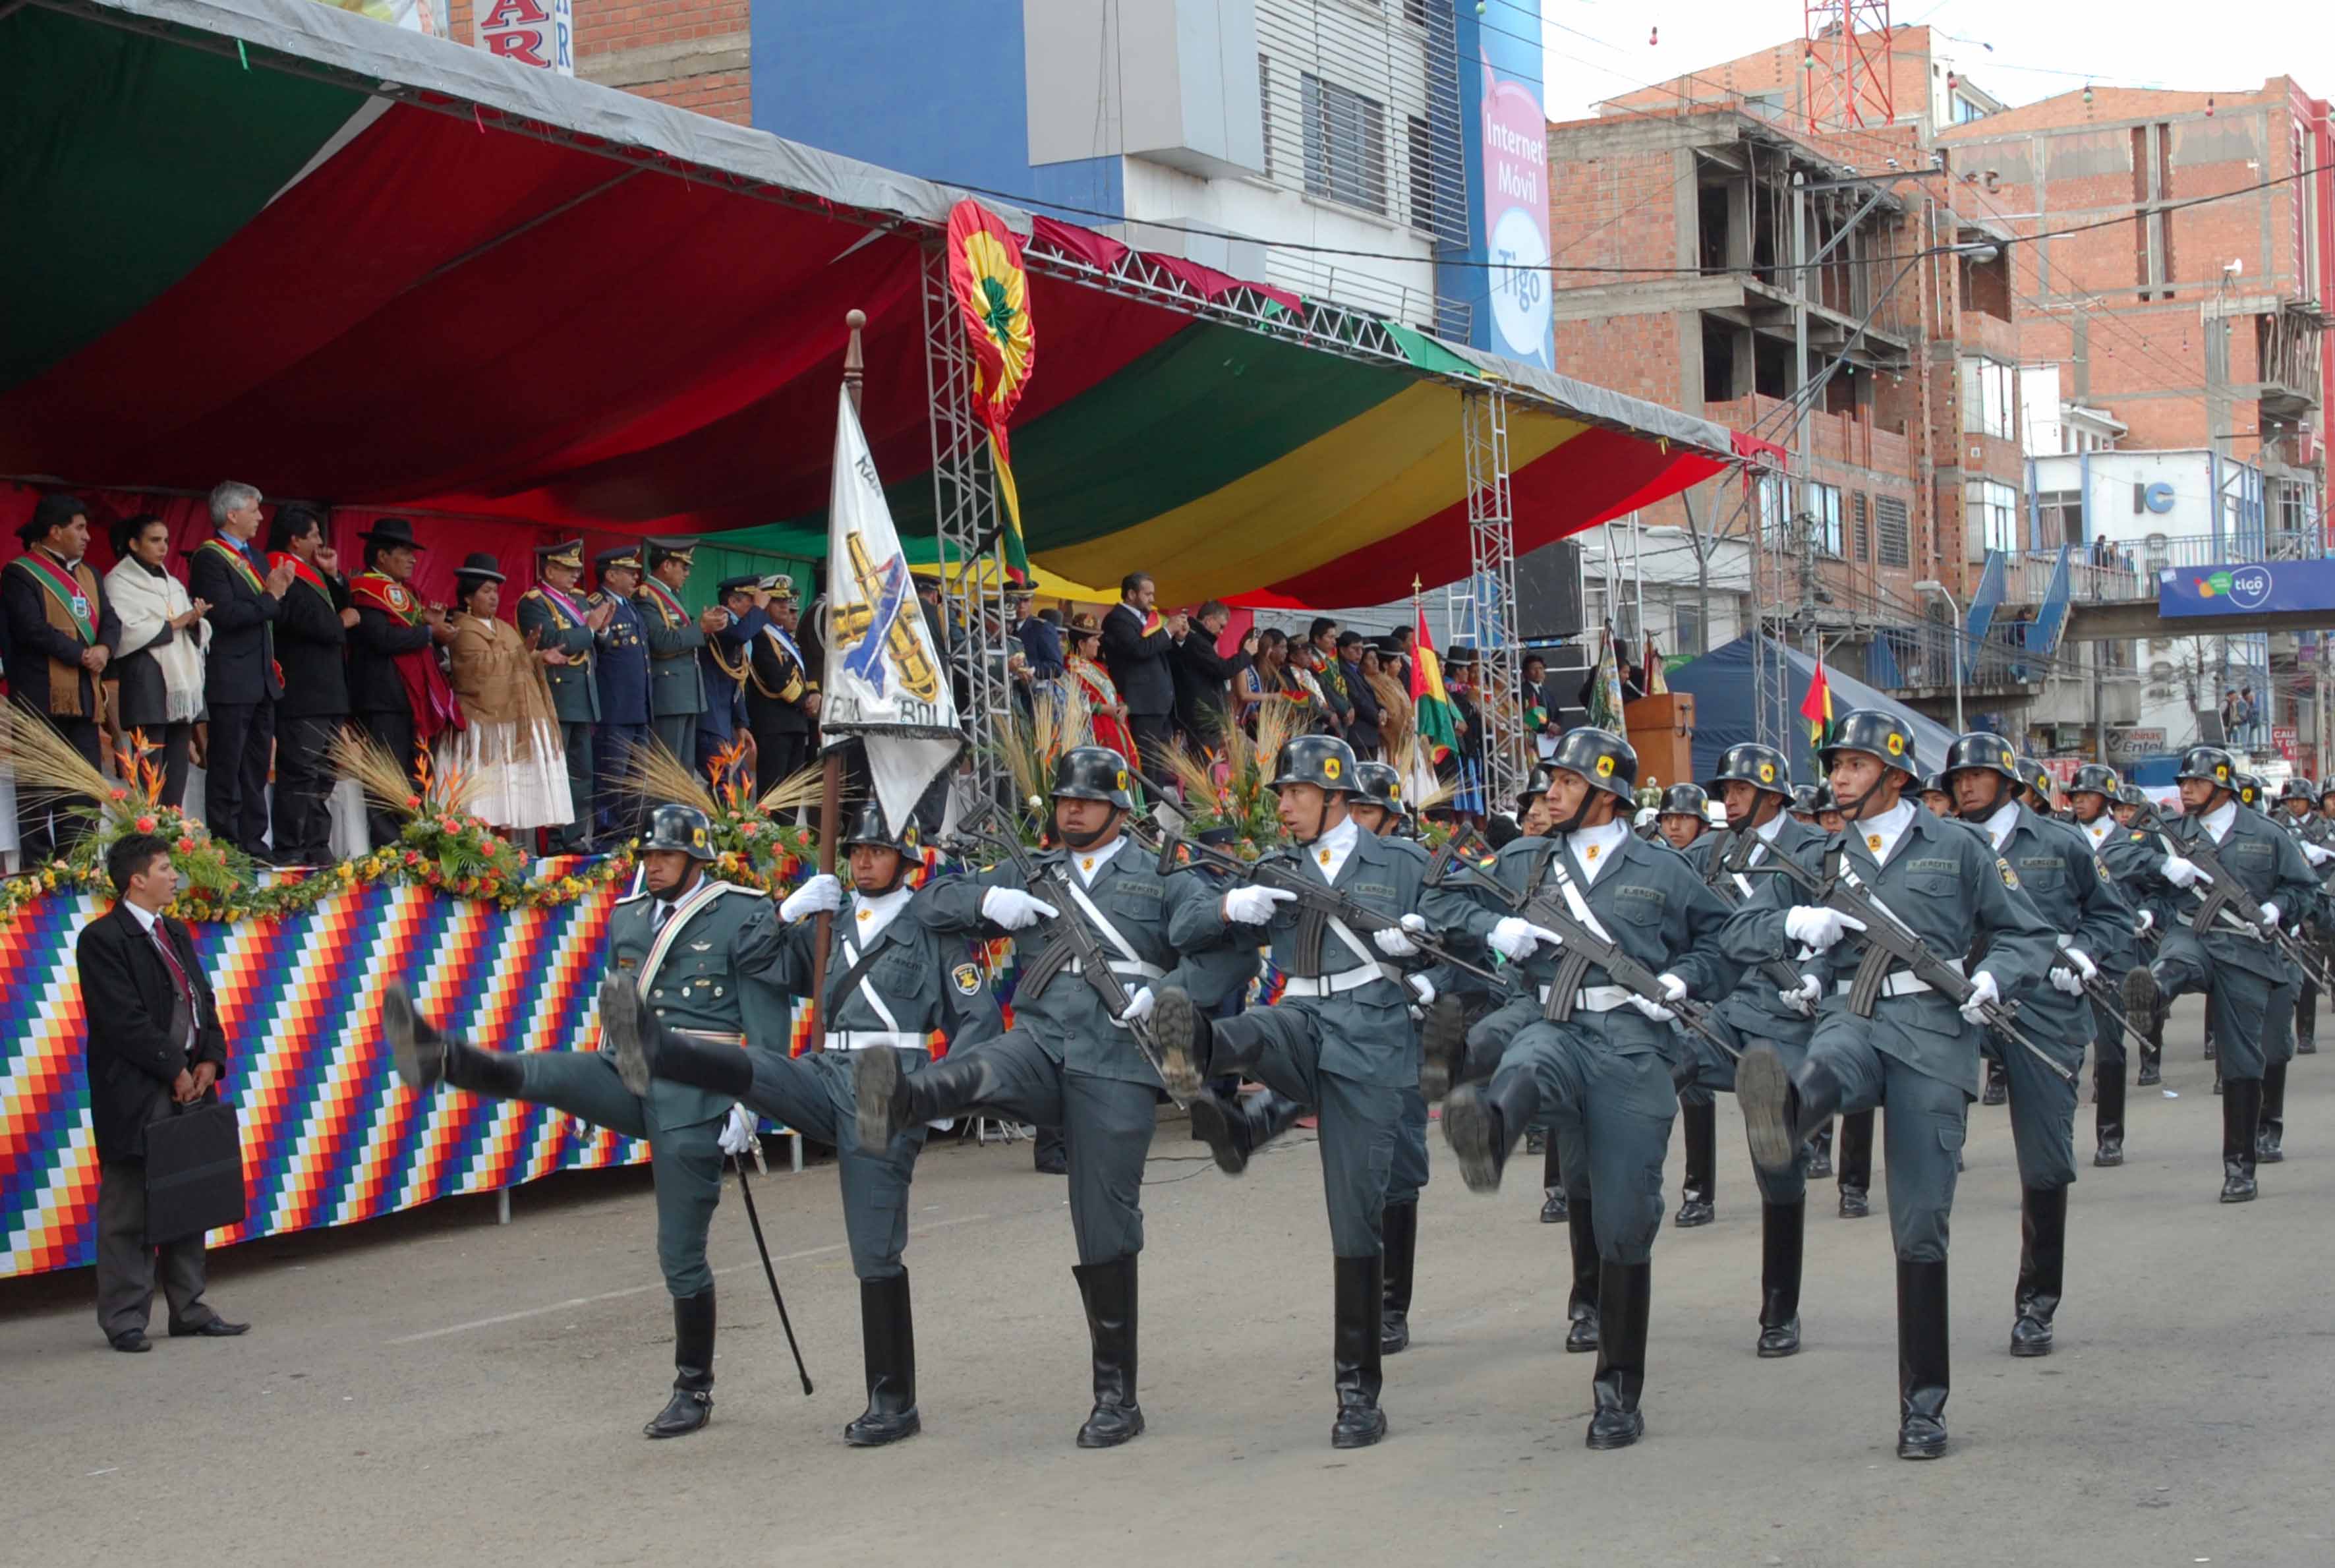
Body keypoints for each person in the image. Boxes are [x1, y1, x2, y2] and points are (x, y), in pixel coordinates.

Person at [852, 747, 1218, 1448]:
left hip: (1117, 1059)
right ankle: (903, 1099)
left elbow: (1220, 948)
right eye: (1063, 800)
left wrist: (1168, 997)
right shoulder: (1031, 872)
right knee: (987, 1067)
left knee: (1103, 1223)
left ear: (1118, 808)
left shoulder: (1163, 876)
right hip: (1044, 1041)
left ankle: (1117, 1396)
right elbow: (929, 903)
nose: (1071, 809)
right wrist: (987, 899)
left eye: (1085, 799)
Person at [604, 803, 1003, 1445]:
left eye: (877, 851)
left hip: (887, 1079)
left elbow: (977, 1023)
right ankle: (692, 1074)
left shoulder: (936, 931)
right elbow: (758, 959)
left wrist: (943, 1094)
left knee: (873, 1247)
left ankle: (893, 1400)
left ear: (906, 860)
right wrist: (788, 910)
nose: (863, 862)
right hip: (823, 1069)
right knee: (750, 1065)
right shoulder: (831, 919)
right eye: (856, 852)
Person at [385, 803, 778, 1437]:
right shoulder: (626, 916)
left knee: (678, 1252)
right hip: (632, 1072)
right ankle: (440, 1058)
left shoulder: (742, 912)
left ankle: (693, 1387)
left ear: (697, 859)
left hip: (699, 1094)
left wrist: (753, 1103)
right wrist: (604, 1081)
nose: (652, 866)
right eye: (647, 856)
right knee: (546, 1072)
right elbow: (622, 1003)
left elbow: (766, 1016)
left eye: (665, 856)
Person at [1153, 735, 1501, 1449]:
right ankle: (1196, 1048)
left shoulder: (1401, 863)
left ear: (1337, 799)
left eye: (1296, 794)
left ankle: (1357, 1394)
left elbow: (1477, 934)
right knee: (1257, 1027)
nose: (1282, 806)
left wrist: (1427, 948)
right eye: (1282, 794)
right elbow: (1183, 928)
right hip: (1305, 1014)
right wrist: (1230, 909)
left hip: (1374, 1033)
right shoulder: (1275, 867)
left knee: (1353, 1216)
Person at [1732, 709, 2057, 1459]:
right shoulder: (1813, 855)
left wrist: (1991, 978)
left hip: (1937, 1038)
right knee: (1833, 1059)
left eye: (1853, 765)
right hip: (1856, 1013)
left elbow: (2027, 934)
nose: (1838, 777)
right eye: (1836, 765)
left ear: (1896, 774)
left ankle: (1923, 1408)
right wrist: (1795, 926)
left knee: (1919, 1226)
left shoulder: (1960, 846)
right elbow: (1737, 933)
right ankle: (1785, 1111)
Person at [1426, 728, 1740, 1451]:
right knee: (1531, 1062)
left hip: (1632, 1045)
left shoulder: (1662, 870)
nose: (1549, 795)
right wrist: (1495, 926)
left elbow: (1722, 940)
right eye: (1550, 783)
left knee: (1626, 1220)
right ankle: (1489, 1130)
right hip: (1556, 1022)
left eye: (1564, 784)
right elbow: (1442, 902)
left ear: (1605, 793)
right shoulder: (1525, 860)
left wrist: (1683, 982)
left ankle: (1618, 1390)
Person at [1943, 732, 2129, 1358]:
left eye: (1977, 776)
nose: (1965, 786)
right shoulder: (1936, 843)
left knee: (2045, 1162)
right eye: (1957, 778)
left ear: (2006, 781)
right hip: (1955, 1003)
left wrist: (2080, 952)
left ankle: (2036, 1303)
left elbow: (2111, 916)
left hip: (2043, 1008)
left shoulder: (2059, 841)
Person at [2123, 745, 2318, 1202]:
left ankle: (2239, 1167)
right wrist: (2160, 864)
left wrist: (2276, 907)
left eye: (2195, 782)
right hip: (2190, 930)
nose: (2185, 789)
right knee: (2173, 962)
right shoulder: (2167, 830)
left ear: (2223, 786)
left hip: (2246, 950)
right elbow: (2115, 859)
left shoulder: (2266, 833)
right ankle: (2151, 994)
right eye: (2182, 782)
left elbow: (2303, 888)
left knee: (2242, 1059)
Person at [80, 832, 247, 1350]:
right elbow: (123, 1021)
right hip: (137, 1090)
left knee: (188, 1195)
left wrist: (210, 1061)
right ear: (137, 878)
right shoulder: (102, 939)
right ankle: (126, 1318)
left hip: (188, 1083)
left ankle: (189, 1307)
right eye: (165, 867)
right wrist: (173, 1066)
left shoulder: (174, 931)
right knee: (128, 1205)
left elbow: (203, 1001)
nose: (175, 875)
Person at [1695, 744, 1830, 1356]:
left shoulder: (1815, 848)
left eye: (1740, 790)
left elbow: (1850, 924)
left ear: (1773, 795)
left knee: (1772, 1153)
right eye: (1725, 789)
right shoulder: (1711, 851)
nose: (1728, 799)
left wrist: (1818, 975)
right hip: (1723, 1007)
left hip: (1788, 1013)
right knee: (1644, 1063)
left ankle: (1781, 1306)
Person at [3, 494, 119, 859]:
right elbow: (30, 629)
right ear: (55, 531)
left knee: (84, 788)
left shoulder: (90, 574)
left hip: (83, 698)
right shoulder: (20, 573)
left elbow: (111, 621)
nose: (88, 536)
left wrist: (104, 649)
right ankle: (39, 869)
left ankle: (79, 862)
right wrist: (82, 654)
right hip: (39, 695)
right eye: (80, 528)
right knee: (38, 790)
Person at [187, 480, 295, 858]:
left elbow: (272, 613)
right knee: (227, 764)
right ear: (232, 514)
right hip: (230, 678)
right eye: (253, 510)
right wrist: (271, 597)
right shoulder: (210, 559)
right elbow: (228, 615)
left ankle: (254, 841)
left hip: (262, 677)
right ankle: (227, 844)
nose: (261, 517)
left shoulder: (258, 558)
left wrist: (274, 597)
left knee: (256, 768)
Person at [438, 553, 573, 834]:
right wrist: (524, 653)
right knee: (484, 803)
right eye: (486, 591)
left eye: (496, 591)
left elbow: (518, 657)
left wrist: (540, 657)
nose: (494, 598)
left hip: (511, 727)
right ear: (468, 597)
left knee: (507, 800)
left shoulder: (503, 627)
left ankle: (505, 852)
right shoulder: (461, 629)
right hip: (483, 728)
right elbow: (478, 669)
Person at [2065, 762, 2158, 1161]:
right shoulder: (2059, 837)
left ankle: (2110, 1136)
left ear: (2107, 800)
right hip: (2068, 952)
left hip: (2117, 953)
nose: (2079, 801)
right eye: (2075, 796)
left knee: (2108, 1048)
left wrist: (2151, 916)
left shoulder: (2134, 841)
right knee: (2064, 1050)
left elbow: (2160, 892)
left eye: (2087, 795)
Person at [346, 518, 457, 848]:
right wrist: (426, 633)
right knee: (386, 771)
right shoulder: (365, 589)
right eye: (405, 553)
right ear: (382, 556)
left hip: (410, 698)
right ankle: (389, 843)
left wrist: (435, 634)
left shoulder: (409, 593)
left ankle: (415, 834)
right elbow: (381, 638)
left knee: (415, 770)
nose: (413, 560)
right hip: (381, 696)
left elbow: (418, 641)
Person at [265, 506, 355, 865]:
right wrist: (342, 623)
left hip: (329, 690)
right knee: (300, 771)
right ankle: (291, 847)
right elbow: (312, 624)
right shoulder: (279, 569)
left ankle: (317, 843)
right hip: (302, 689)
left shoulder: (313, 574)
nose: (320, 542)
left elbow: (340, 612)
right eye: (315, 534)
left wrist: (332, 576)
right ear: (295, 539)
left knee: (325, 774)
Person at [103, 513, 208, 811]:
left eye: (165, 541)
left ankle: (173, 828)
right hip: (146, 678)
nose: (163, 547)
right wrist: (176, 623)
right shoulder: (118, 581)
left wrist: (195, 622)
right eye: (154, 540)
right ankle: (148, 831)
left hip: (181, 681)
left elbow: (191, 622)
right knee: (151, 766)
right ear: (134, 544)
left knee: (177, 764)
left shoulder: (172, 582)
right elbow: (125, 631)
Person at [1652, 782, 1721, 1231]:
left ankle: (1698, 1191)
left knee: (1695, 1090)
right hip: (1654, 983)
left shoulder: (1718, 859)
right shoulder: (1653, 863)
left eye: (1683, 818)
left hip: (1700, 984)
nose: (1674, 825)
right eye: (1668, 818)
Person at [514, 538, 608, 853]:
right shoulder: (534, 601)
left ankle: (576, 837)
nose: (574, 576)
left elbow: (596, 643)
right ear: (550, 569)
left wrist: (602, 630)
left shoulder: (580, 600)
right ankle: (555, 842)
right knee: (557, 773)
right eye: (567, 570)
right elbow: (550, 640)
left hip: (583, 696)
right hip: (556, 696)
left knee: (582, 774)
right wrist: (591, 629)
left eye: (577, 570)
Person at [588, 545, 653, 842]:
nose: (635, 578)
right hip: (613, 708)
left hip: (638, 708)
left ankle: (630, 834)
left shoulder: (630, 606)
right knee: (611, 778)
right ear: (611, 575)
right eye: (629, 573)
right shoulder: (596, 605)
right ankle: (609, 835)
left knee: (635, 782)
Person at [636, 538, 720, 767]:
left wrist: (707, 628)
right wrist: (700, 628)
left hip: (685, 693)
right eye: (684, 567)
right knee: (668, 770)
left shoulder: (672, 596)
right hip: (668, 694)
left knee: (684, 770)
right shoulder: (646, 597)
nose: (687, 574)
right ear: (666, 565)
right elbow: (661, 642)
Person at [1099, 571, 1184, 790]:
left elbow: (1160, 651)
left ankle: (1156, 814)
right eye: (1148, 594)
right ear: (1131, 594)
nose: (1152, 600)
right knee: (1147, 767)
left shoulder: (1148, 621)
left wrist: (1179, 637)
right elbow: (1139, 650)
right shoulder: (1117, 619)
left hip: (1160, 704)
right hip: (1141, 705)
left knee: (1160, 768)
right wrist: (1167, 630)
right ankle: (1148, 816)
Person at [741, 574, 819, 799]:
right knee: (774, 790)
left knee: (792, 792)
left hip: (795, 722)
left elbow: (804, 669)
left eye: (786, 601)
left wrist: (814, 692)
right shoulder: (760, 635)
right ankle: (772, 835)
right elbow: (776, 676)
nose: (785, 606)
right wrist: (805, 701)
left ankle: (790, 835)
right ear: (765, 603)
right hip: (773, 722)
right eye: (777, 601)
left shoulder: (787, 638)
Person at [697, 575, 761, 787]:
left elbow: (737, 682)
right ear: (732, 602)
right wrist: (760, 609)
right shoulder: (719, 619)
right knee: (724, 783)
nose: (754, 606)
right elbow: (740, 635)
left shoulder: (735, 626)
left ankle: (731, 821)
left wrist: (742, 724)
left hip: (725, 722)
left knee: (742, 782)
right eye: (750, 600)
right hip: (710, 720)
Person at [1064, 612, 1134, 760]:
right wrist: (1103, 709)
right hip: (1095, 733)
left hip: (1116, 727)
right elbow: (1071, 703)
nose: (1099, 644)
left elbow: (1113, 695)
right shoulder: (1068, 668)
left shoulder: (1099, 667)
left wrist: (1123, 706)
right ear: (1082, 644)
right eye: (1095, 640)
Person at [1171, 600, 1237, 750]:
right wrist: (1246, 654)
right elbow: (1223, 669)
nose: (1222, 632)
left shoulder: (1199, 639)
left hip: (1206, 717)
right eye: (1221, 626)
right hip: (1201, 718)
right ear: (1209, 620)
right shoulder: (1195, 639)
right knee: (1205, 767)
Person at [1336, 631, 1382, 759]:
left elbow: (1370, 697)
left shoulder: (1357, 671)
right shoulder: (1341, 671)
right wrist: (1377, 716)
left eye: (1361, 649)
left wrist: (1382, 709)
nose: (1359, 653)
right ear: (1343, 650)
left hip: (1370, 735)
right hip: (1358, 736)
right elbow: (1357, 700)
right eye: (1355, 649)